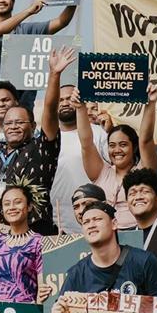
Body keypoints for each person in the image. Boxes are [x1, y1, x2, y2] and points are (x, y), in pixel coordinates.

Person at [0, 47, 76, 235]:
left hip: (35, 234)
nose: (12, 126)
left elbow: (50, 110)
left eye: (19, 122)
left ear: (33, 126)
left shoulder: (42, 148)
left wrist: (54, 74)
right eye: (8, 123)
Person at [0, 0, 85, 108]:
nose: (1, 0)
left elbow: (61, 22)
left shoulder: (26, 30)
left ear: (12, 2)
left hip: (24, 100)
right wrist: (29, 11)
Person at [51, 202, 157, 313]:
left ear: (114, 224)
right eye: (86, 222)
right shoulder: (76, 274)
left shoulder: (143, 261)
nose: (91, 225)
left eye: (97, 219)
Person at [71, 84, 157, 230]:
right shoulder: (101, 172)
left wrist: (150, 104)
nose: (117, 150)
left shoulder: (144, 172)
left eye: (123, 144)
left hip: (140, 234)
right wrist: (80, 108)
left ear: (134, 147)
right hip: (107, 237)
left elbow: (146, 139)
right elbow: (86, 143)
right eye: (112, 145)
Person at [0, 184, 51, 304]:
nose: (11, 207)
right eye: (6, 204)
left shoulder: (40, 242)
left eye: (17, 202)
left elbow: (43, 288)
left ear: (29, 206)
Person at [51, 85, 110, 234]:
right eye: (60, 100)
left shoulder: (99, 133)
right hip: (57, 222)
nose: (64, 103)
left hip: (95, 219)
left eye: (69, 99)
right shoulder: (47, 140)